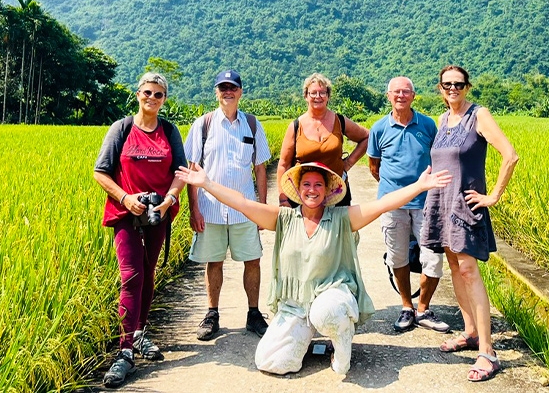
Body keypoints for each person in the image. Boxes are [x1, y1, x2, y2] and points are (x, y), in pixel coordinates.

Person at [175, 161, 452, 376]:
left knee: (326, 312)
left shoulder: (342, 218)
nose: (311, 190)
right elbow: (243, 203)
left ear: (328, 190)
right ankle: (304, 340)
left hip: (333, 296)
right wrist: (207, 183)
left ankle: (342, 342)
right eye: (306, 184)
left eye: (318, 185)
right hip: (295, 306)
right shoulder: (284, 218)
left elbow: (381, 205)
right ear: (297, 189)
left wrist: (419, 186)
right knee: (270, 361)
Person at [422, 65, 519, 383]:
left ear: (467, 87)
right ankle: (471, 332)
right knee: (453, 267)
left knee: (468, 270)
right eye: (447, 84)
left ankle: (488, 352)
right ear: (440, 88)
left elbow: (510, 155)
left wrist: (493, 196)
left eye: (458, 84)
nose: (453, 89)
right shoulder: (442, 120)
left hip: (465, 204)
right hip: (441, 202)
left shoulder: (479, 115)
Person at [93, 72, 188, 388]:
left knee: (148, 272)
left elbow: (180, 172)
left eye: (159, 94)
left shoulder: (169, 131)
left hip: (157, 214)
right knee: (131, 275)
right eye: (148, 92)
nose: (152, 98)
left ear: (164, 99)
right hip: (126, 213)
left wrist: (169, 199)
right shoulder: (121, 129)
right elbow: (100, 172)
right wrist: (125, 197)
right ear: (138, 94)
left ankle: (139, 332)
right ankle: (124, 352)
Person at [185, 69, 271, 341]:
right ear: (216, 92)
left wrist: (263, 210)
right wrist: (194, 208)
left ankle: (254, 313)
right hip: (210, 208)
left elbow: (260, 169)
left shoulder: (253, 125)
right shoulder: (203, 124)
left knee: (252, 260)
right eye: (223, 87)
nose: (227, 92)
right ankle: (212, 313)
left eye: (232, 87)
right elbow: (192, 170)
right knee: (214, 261)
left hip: (245, 207)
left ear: (240, 92)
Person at [367, 76, 450, 334]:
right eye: (396, 92)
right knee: (397, 256)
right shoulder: (379, 128)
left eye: (406, 91)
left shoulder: (426, 124)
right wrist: (397, 191)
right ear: (388, 96)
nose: (401, 95)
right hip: (393, 203)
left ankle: (423, 308)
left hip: (426, 203)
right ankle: (406, 306)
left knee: (433, 258)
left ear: (414, 96)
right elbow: (374, 167)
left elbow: (437, 158)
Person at [276, 73, 369, 208]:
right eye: (313, 93)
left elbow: (366, 137)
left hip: (336, 192)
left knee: (338, 229)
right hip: (303, 195)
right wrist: (283, 199)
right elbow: (283, 164)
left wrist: (348, 164)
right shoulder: (296, 126)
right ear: (306, 96)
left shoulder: (340, 121)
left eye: (322, 93)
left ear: (328, 96)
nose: (318, 97)